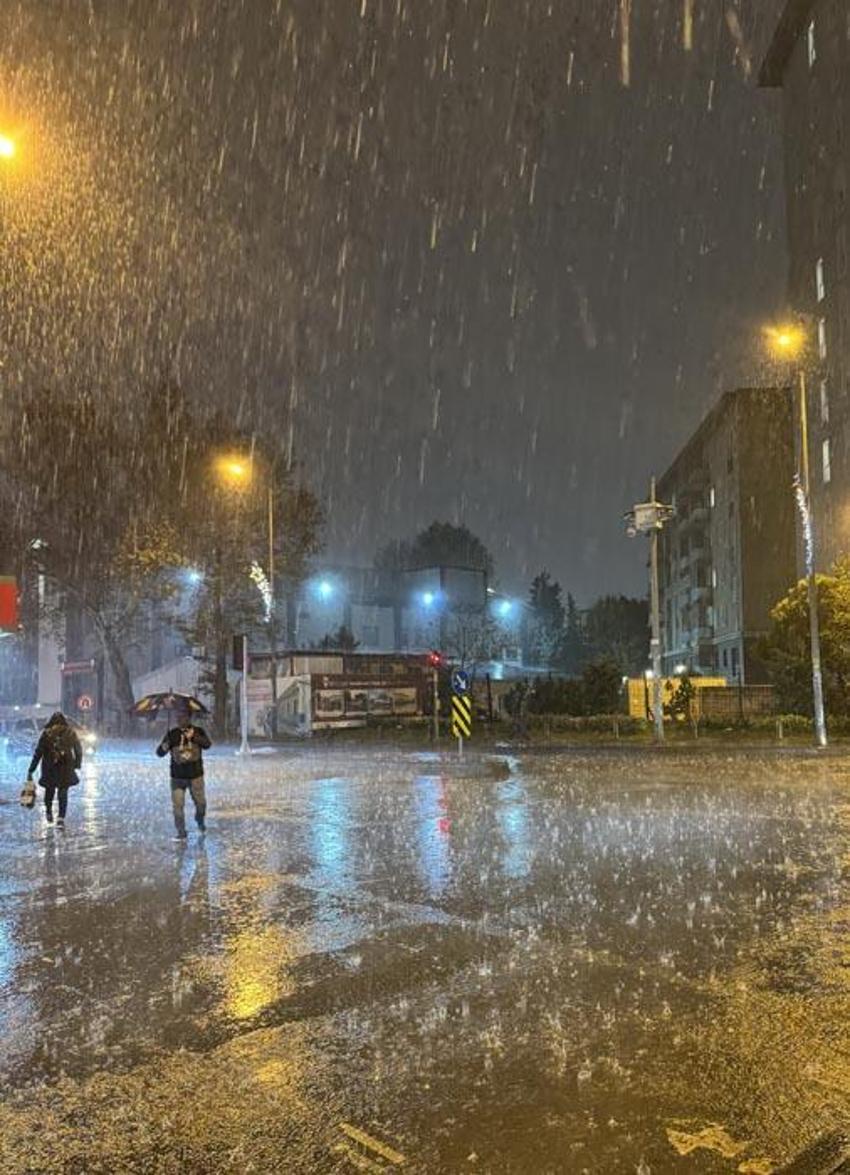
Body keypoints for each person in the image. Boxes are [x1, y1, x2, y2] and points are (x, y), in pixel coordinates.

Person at [156, 711, 211, 841]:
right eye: (179, 717)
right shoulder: (172, 734)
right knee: (178, 807)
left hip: (195, 776)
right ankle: (181, 832)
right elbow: (159, 753)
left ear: (189, 718)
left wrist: (194, 737)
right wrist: (165, 746)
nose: (181, 720)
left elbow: (208, 745)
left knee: (201, 804)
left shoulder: (198, 731)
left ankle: (200, 819)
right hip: (177, 778)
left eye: (184, 717)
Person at [27, 711, 83, 829]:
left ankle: (48, 811)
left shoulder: (46, 734)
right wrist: (77, 764)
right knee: (63, 792)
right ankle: (61, 818)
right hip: (66, 766)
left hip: (49, 767)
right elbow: (78, 750)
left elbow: (38, 753)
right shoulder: (71, 733)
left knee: (49, 790)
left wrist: (32, 769)